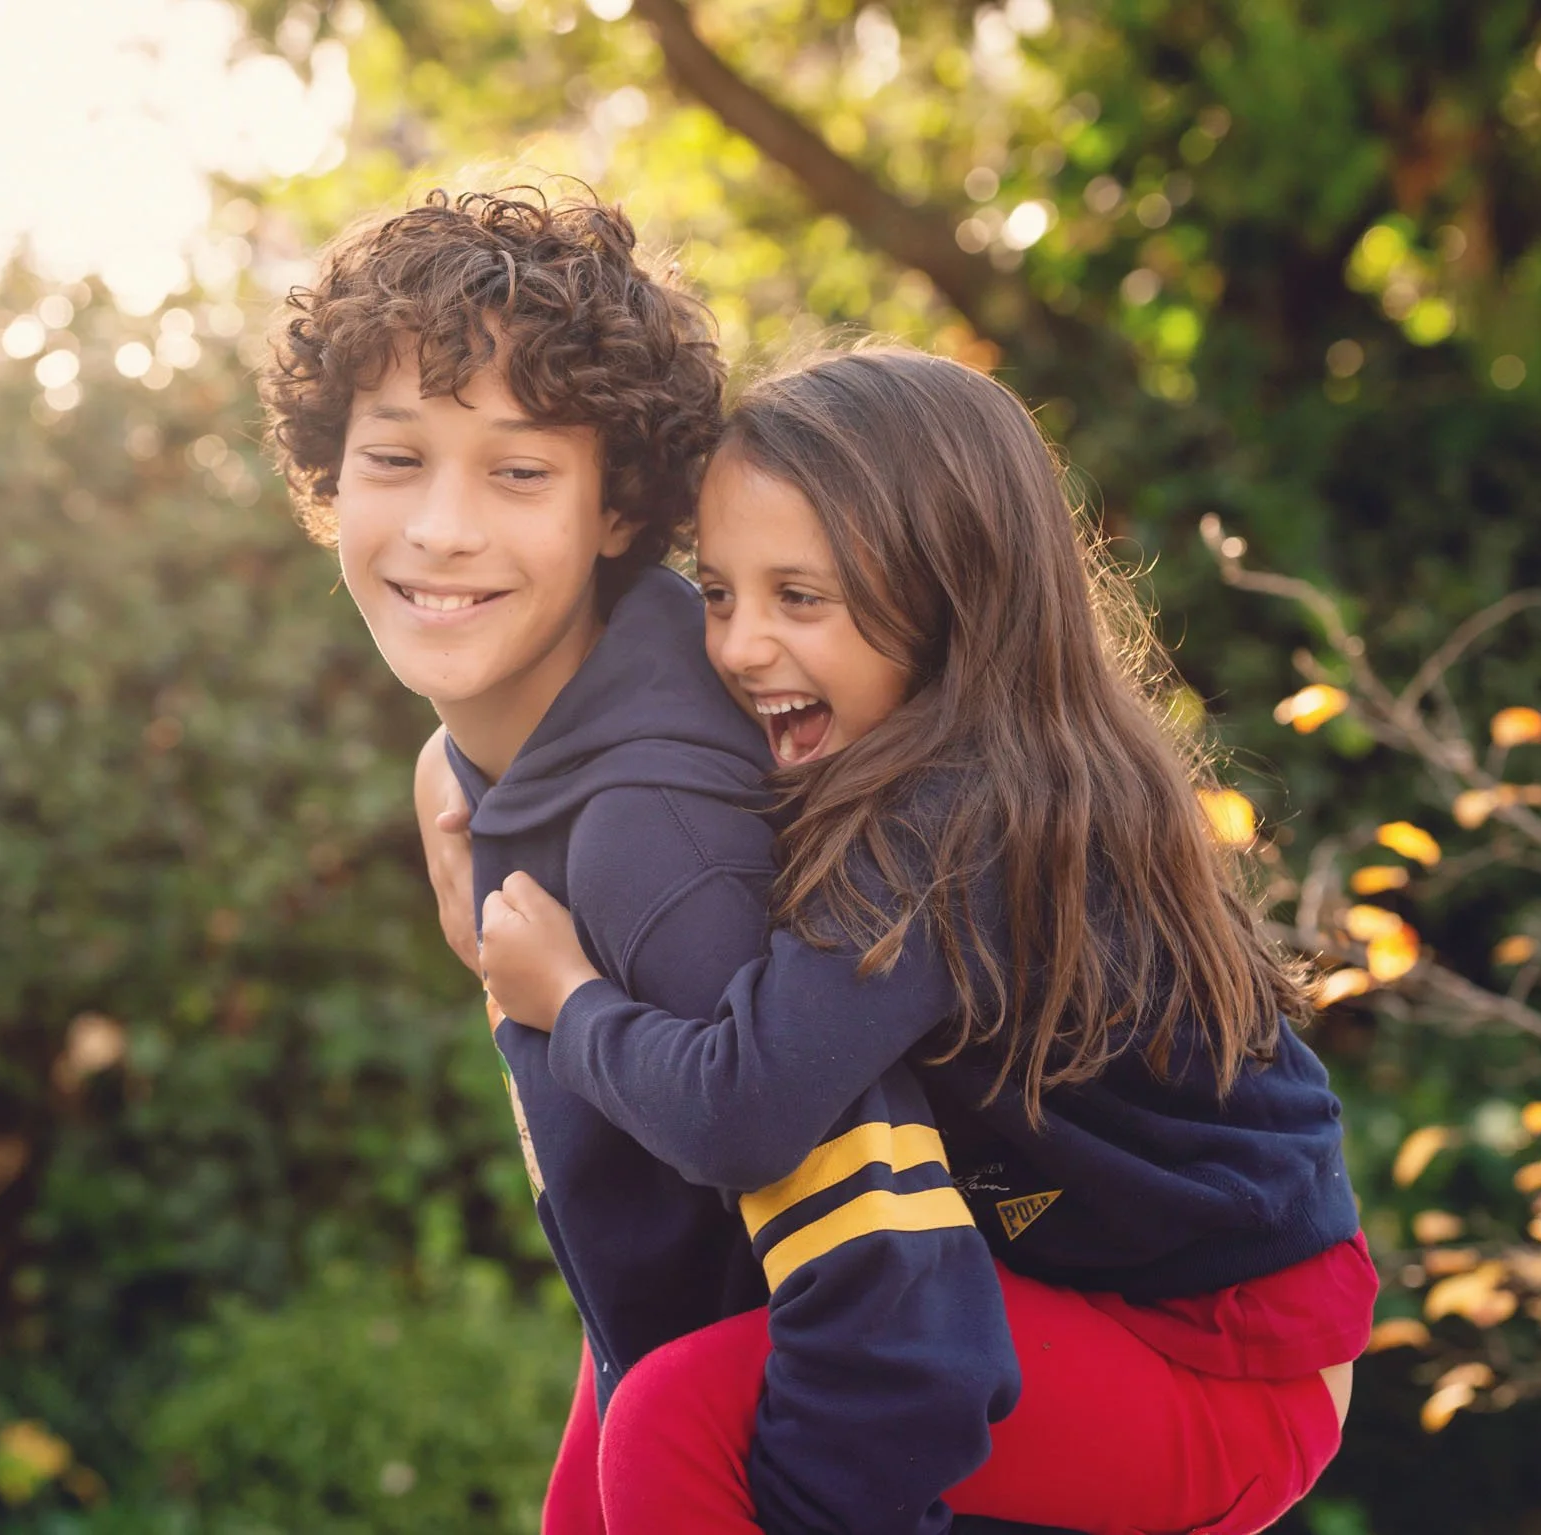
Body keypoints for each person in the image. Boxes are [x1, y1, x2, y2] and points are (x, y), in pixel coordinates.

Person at [266, 189, 1064, 1535]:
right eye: (395, 460)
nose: (444, 528)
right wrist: (451, 771)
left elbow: (895, 1289)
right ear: (327, 479)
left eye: (519, 472)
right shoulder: (548, 729)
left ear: (621, 508)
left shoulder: (657, 839)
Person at [476, 346, 1378, 1535]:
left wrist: (569, 999)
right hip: (1075, 1283)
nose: (740, 644)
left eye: (800, 597)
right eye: (717, 591)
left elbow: (742, 1108)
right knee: (616, 1407)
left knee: (683, 1415)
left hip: (1227, 1362)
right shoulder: (895, 758)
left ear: (953, 599)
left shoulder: (965, 818)